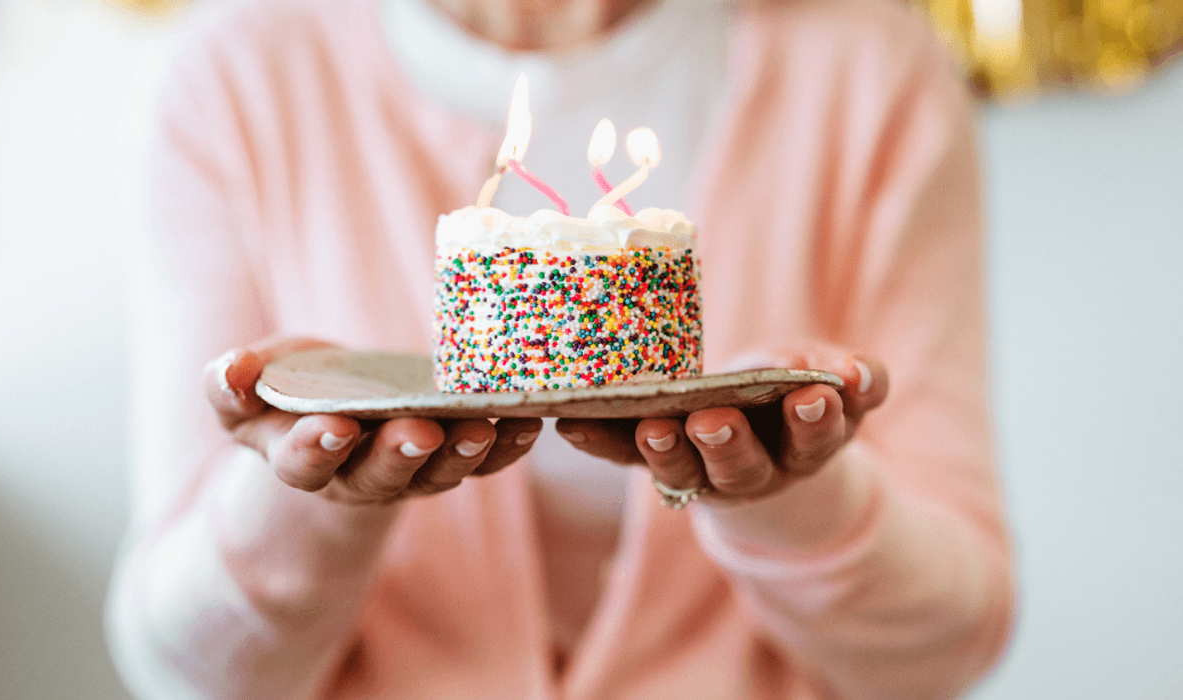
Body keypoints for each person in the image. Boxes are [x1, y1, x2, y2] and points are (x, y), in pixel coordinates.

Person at [106, 0, 1016, 697]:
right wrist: (312, 494)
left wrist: (795, 496)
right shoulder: (235, 75)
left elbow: (946, 649)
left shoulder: (866, 68)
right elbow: (182, 668)